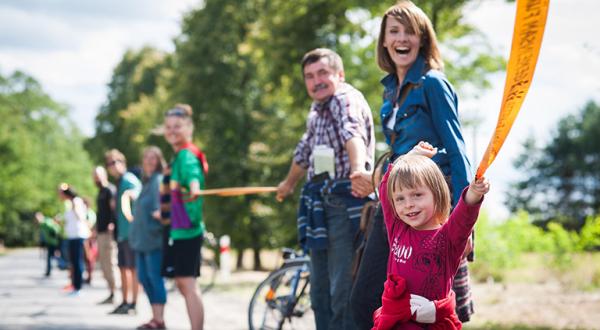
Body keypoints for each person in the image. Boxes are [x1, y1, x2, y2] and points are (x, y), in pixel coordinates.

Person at [349, 2, 475, 328]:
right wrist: (375, 175)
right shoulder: (390, 92)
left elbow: (458, 150)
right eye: (394, 31)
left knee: (426, 296)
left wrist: (465, 220)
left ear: (422, 39)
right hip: (394, 197)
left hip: (430, 198)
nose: (401, 38)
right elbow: (399, 151)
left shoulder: (433, 83)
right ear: (385, 41)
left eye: (409, 31)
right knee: (371, 291)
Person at [276, 48, 375, 330]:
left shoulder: (344, 99)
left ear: (339, 75)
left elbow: (351, 132)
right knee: (319, 293)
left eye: (322, 73)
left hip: (344, 207)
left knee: (340, 292)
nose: (316, 81)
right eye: (309, 76)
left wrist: (359, 169)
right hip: (320, 207)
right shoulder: (317, 108)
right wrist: (288, 184)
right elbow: (305, 151)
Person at [371, 143, 489, 329]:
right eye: (400, 198)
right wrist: (409, 157)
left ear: (437, 194)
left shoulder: (448, 237)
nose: (408, 204)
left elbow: (464, 217)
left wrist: (474, 192)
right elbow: (386, 188)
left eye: (417, 195)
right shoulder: (397, 228)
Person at [163, 103, 209, 330]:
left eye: (177, 126)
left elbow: (193, 176)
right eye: (169, 127)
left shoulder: (186, 155)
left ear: (188, 128)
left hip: (189, 228)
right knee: (183, 283)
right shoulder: (178, 155)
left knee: (188, 284)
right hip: (180, 229)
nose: (172, 131)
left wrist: (193, 186)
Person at [129, 146, 168, 330]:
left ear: (159, 161)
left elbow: (161, 207)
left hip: (154, 240)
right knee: (144, 278)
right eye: (147, 157)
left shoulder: (158, 180)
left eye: (154, 158)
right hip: (141, 241)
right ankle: (155, 317)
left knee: (154, 278)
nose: (150, 161)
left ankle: (159, 320)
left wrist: (160, 213)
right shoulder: (146, 182)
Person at [105, 149, 142, 315]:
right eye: (109, 164)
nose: (112, 166)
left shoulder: (129, 179)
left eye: (115, 162)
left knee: (133, 269)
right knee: (123, 268)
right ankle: (124, 301)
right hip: (122, 233)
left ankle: (133, 303)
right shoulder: (119, 183)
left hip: (132, 232)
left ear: (123, 162)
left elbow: (137, 192)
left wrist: (130, 195)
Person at [57, 183, 91, 296]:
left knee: (77, 262)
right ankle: (75, 285)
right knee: (74, 262)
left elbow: (81, 217)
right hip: (72, 236)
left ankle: (78, 287)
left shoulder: (76, 201)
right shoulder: (70, 203)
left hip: (78, 236)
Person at [93, 166, 117, 304]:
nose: (96, 178)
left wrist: (112, 223)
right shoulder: (100, 191)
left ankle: (116, 294)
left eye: (98, 175)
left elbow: (113, 209)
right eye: (94, 176)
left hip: (108, 233)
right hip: (100, 232)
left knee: (110, 263)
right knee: (103, 264)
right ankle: (111, 292)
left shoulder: (109, 190)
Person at [35, 212, 61, 277]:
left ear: (41, 216)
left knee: (53, 256)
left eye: (38, 218)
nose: (37, 220)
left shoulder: (47, 222)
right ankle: (49, 271)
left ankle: (60, 266)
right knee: (49, 257)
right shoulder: (42, 223)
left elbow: (54, 229)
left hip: (55, 242)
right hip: (49, 242)